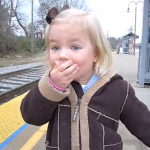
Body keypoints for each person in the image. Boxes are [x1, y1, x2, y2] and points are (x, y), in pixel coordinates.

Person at [20, 6, 150, 150]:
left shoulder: (119, 89)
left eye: (75, 47)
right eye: (55, 47)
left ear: (96, 54)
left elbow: (143, 124)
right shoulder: (50, 87)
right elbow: (31, 116)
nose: (62, 55)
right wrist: (52, 87)